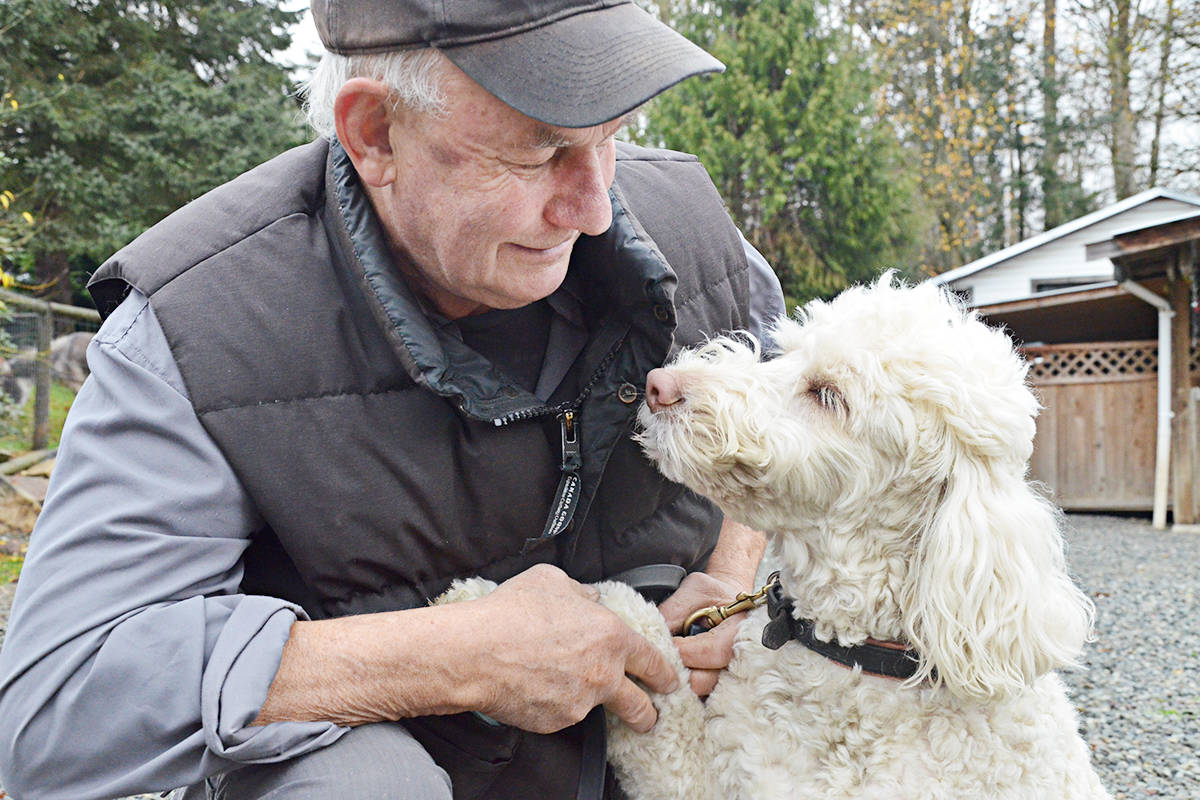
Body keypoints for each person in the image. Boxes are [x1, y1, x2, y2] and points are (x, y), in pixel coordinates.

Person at [0, 1, 785, 798]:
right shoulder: (199, 331)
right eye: (541, 150)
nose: (593, 206)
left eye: (614, 134)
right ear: (375, 132)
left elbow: (781, 391)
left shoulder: (691, 230)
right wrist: (451, 658)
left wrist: (730, 578)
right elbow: (58, 704)